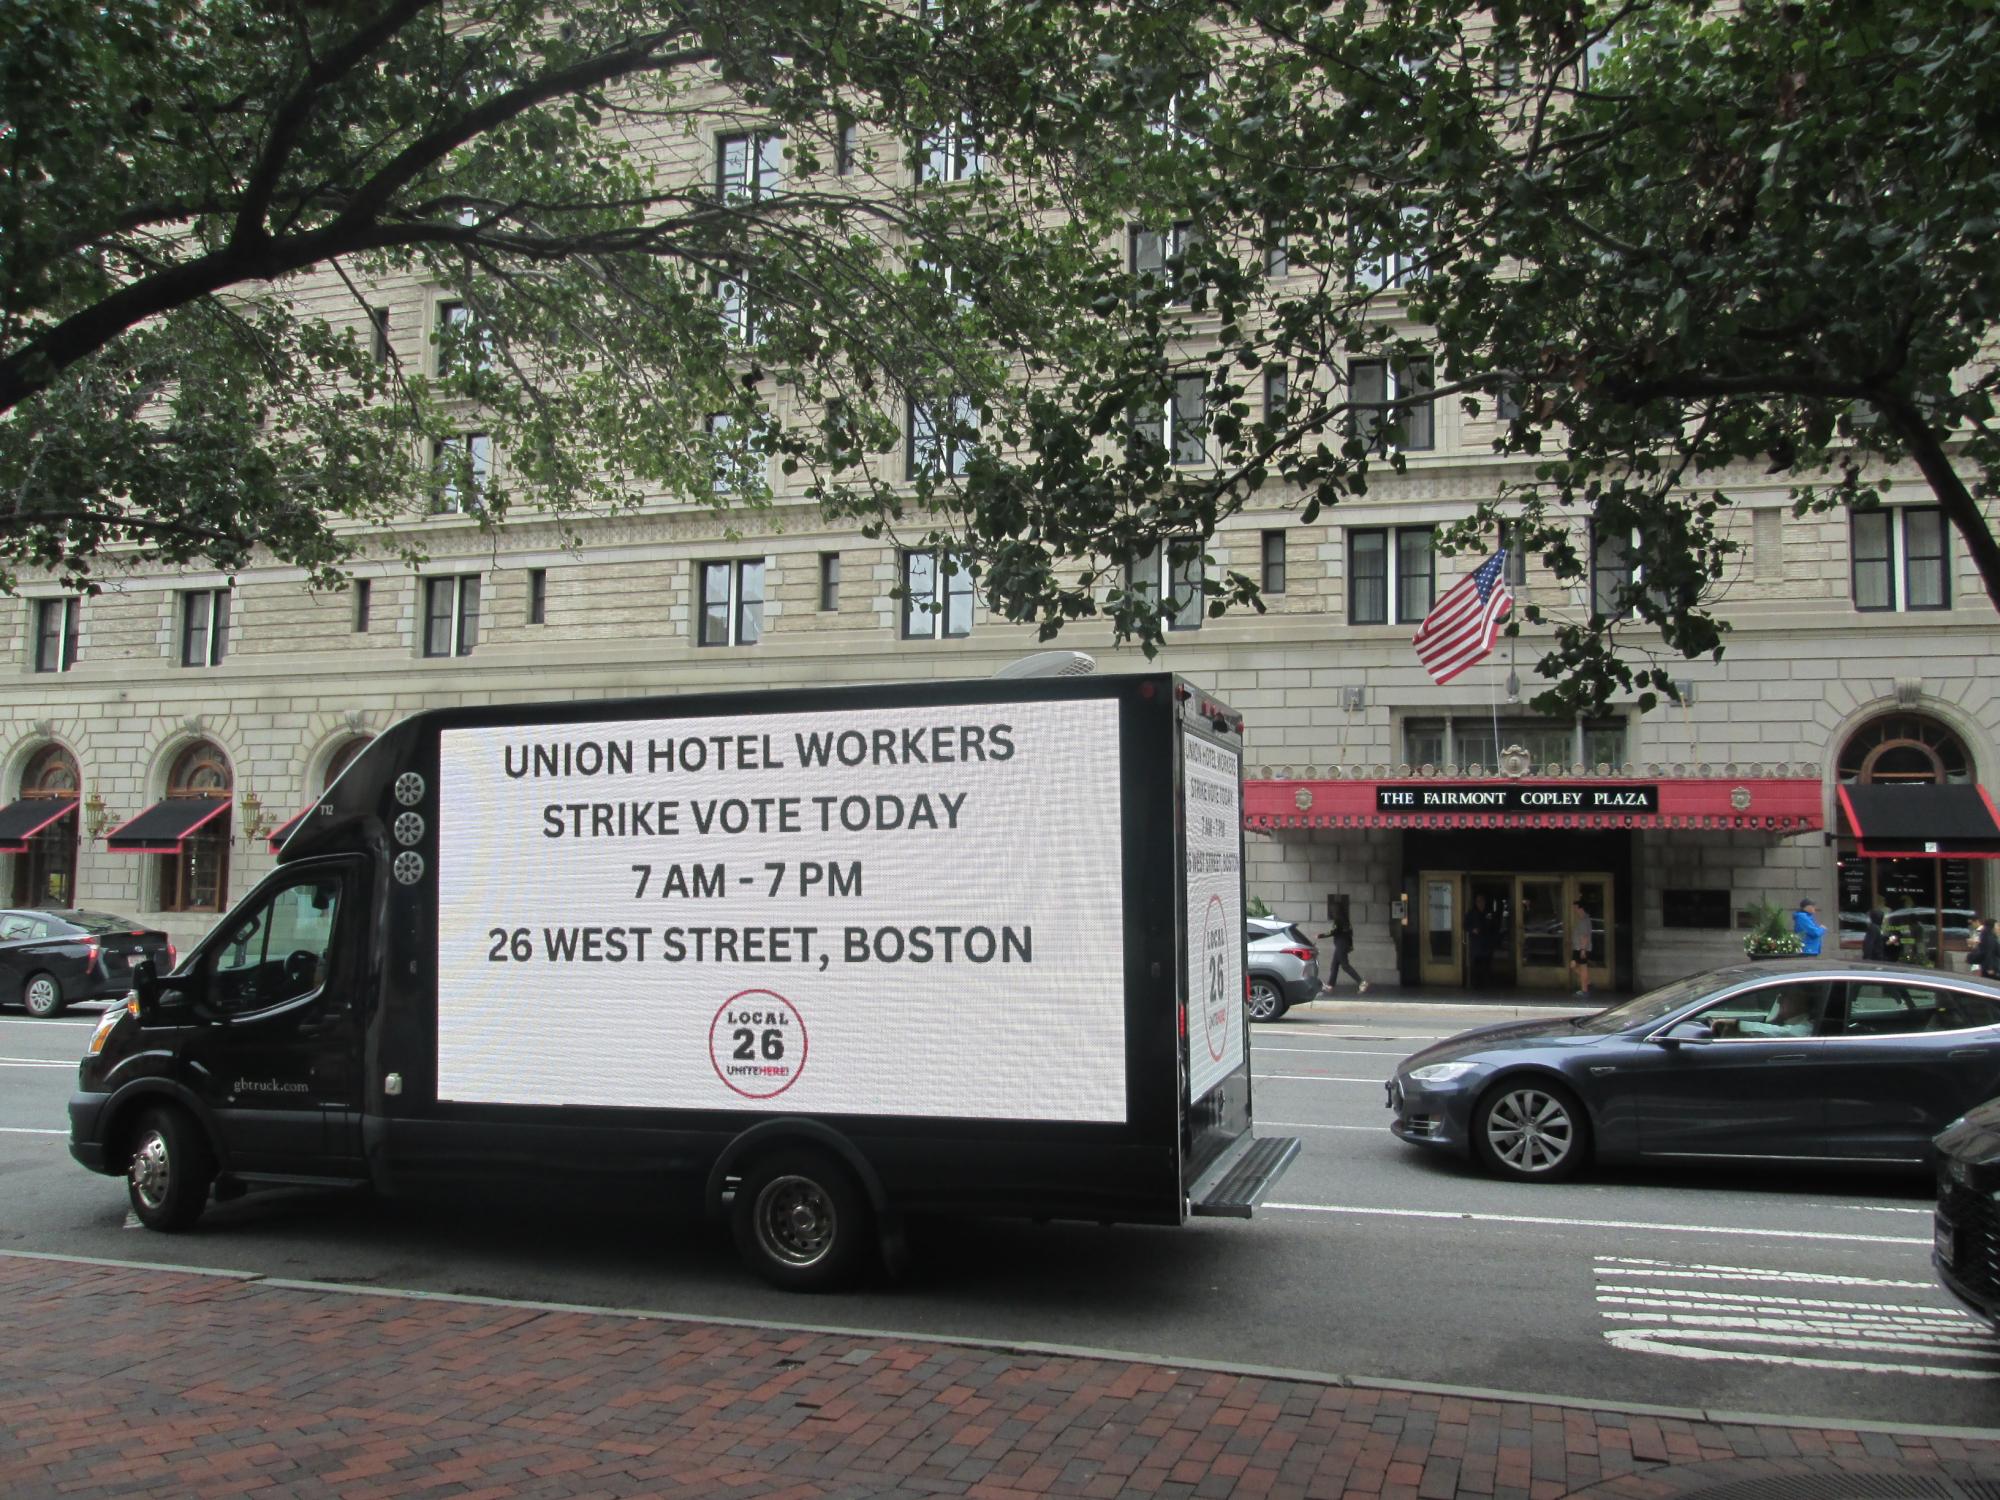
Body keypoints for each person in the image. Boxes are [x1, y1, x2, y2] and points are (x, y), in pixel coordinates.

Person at [1317, 909, 1369, 995]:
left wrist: (1320, 935)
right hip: (1342, 945)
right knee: (1334, 965)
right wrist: (1350, 946)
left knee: (1345, 966)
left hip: (1340, 946)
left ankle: (1361, 982)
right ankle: (1330, 986)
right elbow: (1350, 935)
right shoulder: (1346, 921)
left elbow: (1333, 932)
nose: (1332, 913)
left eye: (1333, 911)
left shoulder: (1338, 920)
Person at [1740, 986, 1817, 1037]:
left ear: (1803, 1002)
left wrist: (1735, 1024)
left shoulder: (1804, 1028)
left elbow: (1777, 1031)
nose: (1779, 1001)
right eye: (1781, 997)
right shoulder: (1793, 1021)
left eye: (1786, 996)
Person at [1465, 893, 1499, 989]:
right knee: (1477, 965)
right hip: (1476, 943)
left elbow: (1495, 926)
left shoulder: (1489, 913)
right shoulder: (1471, 913)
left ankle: (1487, 984)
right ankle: (1476, 984)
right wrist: (1472, 929)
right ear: (1475, 903)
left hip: (1487, 943)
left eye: (1482, 901)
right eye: (1478, 901)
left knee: (1487, 964)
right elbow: (1465, 925)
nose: (1480, 903)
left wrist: (1494, 939)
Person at [1568, 898, 1593, 997]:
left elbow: (1584, 936)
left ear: (1580, 909)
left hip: (1581, 949)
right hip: (1579, 948)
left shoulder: (1583, 921)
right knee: (1575, 966)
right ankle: (1588, 983)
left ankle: (1585, 990)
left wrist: (1583, 949)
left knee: (1582, 968)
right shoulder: (1584, 920)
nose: (1574, 910)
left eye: (1575, 908)